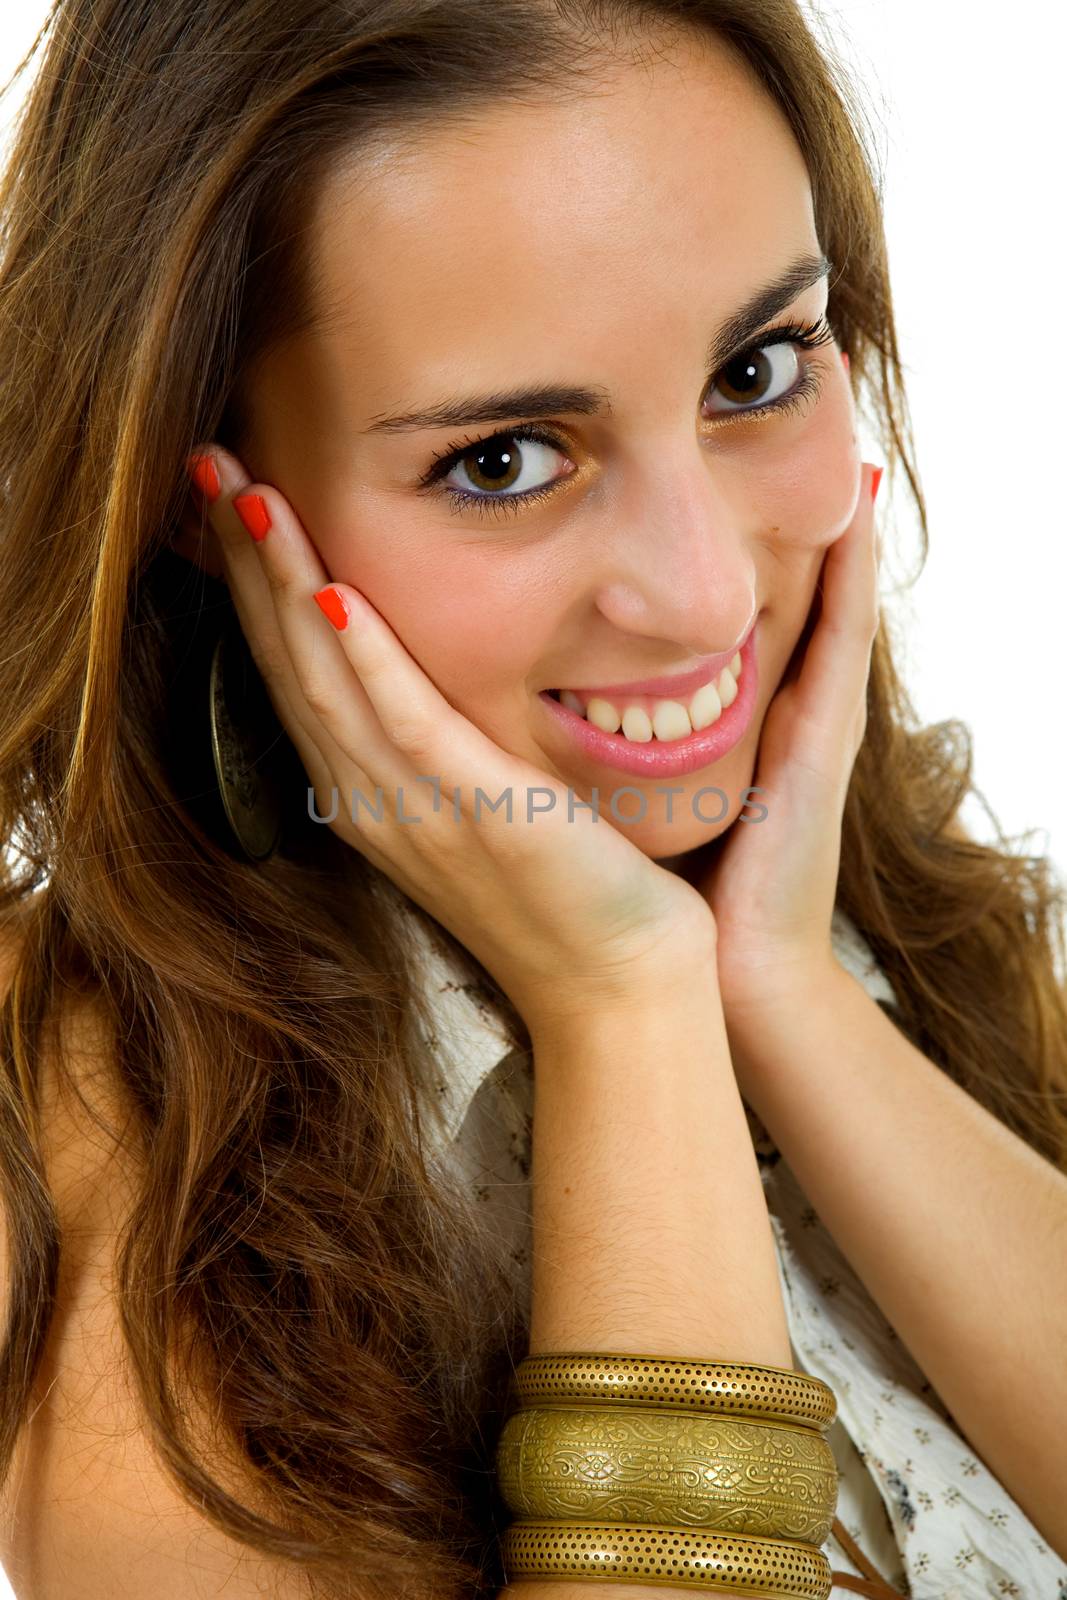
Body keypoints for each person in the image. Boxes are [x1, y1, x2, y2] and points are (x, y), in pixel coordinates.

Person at [0, 2, 1065, 1598]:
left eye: (758, 370)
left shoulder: (899, 914)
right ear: (193, 492)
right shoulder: (92, 1135)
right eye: (505, 460)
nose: (706, 599)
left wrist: (774, 988)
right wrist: (623, 1008)